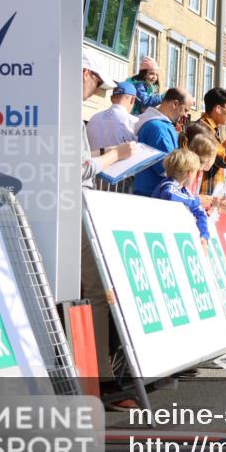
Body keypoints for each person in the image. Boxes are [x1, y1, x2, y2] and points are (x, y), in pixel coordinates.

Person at [79, 51, 135, 395]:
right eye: (97, 84)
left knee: (91, 292)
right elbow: (81, 169)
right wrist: (118, 154)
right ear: (86, 72)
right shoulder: (66, 106)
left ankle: (98, 374)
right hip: (73, 206)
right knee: (97, 292)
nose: (96, 93)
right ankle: (101, 377)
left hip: (64, 205)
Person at [132, 88, 194, 197]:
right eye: (185, 110)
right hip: (154, 194)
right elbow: (170, 167)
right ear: (175, 104)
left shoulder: (159, 125)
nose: (185, 115)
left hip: (153, 192)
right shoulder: (158, 128)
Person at [152, 149, 210, 245]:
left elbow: (200, 213)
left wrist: (204, 235)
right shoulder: (168, 184)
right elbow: (169, 195)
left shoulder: (184, 191)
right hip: (157, 236)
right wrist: (195, 200)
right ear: (189, 173)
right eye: (196, 172)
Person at [86, 80, 138, 151]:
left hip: (93, 161)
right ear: (132, 100)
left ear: (111, 98)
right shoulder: (134, 122)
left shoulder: (94, 118)